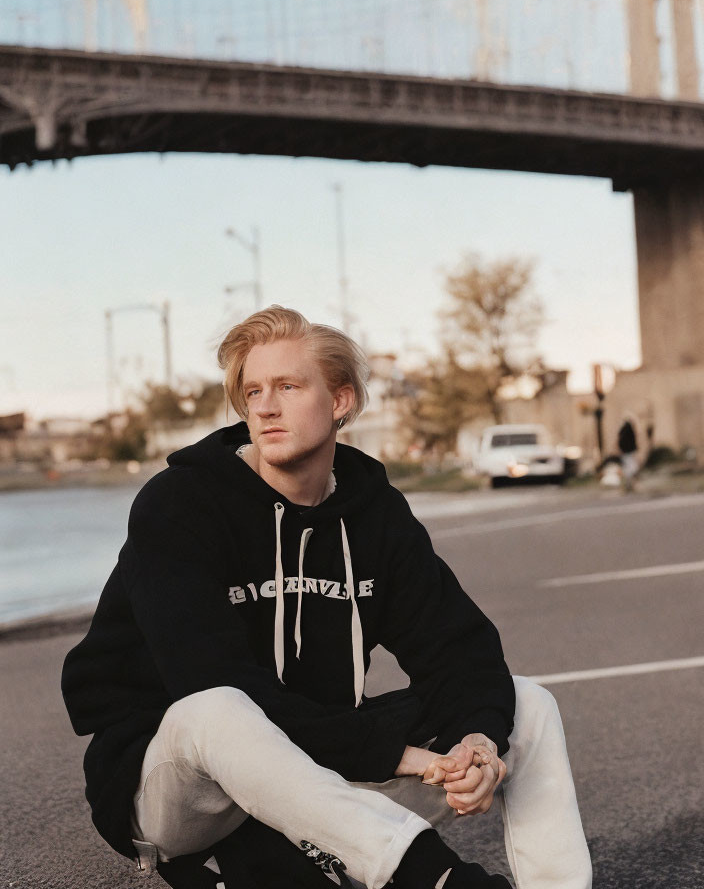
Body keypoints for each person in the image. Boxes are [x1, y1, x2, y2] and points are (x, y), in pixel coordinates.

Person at [62, 306, 592, 889]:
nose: (264, 406)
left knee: (526, 705)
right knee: (215, 708)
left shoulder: (373, 513)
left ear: (340, 402)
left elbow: (456, 647)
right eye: (253, 390)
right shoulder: (179, 506)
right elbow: (211, 680)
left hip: (322, 767)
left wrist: (477, 742)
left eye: (288, 386)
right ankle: (432, 877)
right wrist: (401, 755)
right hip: (178, 788)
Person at [617, 413, 639, 492]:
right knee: (631, 468)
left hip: (626, 452)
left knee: (629, 468)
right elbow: (631, 441)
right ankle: (629, 484)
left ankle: (629, 484)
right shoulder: (628, 429)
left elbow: (620, 441)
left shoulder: (623, 430)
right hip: (629, 452)